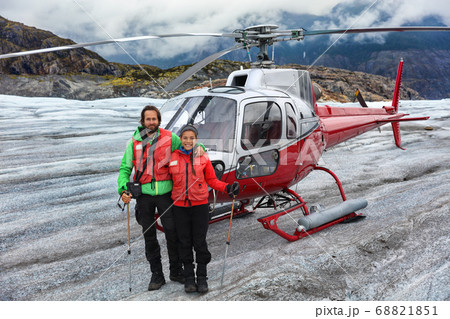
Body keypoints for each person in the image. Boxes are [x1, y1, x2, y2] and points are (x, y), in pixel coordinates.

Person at [118, 105, 204, 291]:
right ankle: (157, 275)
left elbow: (188, 144)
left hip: (166, 194)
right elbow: (125, 169)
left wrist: (200, 148)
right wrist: (123, 189)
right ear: (142, 122)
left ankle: (176, 270)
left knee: (173, 233)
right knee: (150, 236)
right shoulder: (134, 142)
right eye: (148, 119)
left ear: (159, 120)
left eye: (154, 119)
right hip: (144, 196)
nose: (151, 122)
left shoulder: (170, 138)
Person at [169, 124, 240, 293]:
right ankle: (189, 279)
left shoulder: (203, 157)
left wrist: (228, 188)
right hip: (180, 207)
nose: (187, 141)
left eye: (191, 138)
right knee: (184, 242)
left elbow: (212, 181)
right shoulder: (172, 157)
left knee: (199, 242)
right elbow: (164, 180)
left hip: (200, 205)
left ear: (196, 140)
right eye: (184, 138)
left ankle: (202, 278)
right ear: (180, 139)